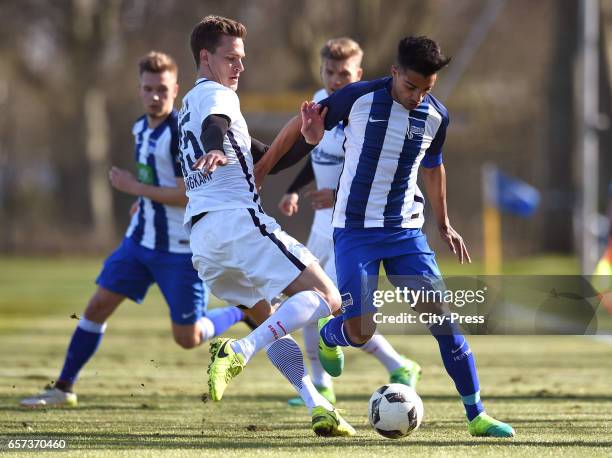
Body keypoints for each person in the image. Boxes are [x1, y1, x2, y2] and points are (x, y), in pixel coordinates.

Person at [260, 36, 515, 438]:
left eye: (426, 89)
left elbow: (433, 166)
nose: (417, 96)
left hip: (405, 232)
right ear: (394, 72)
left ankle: (477, 414)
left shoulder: (436, 116)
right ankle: (331, 334)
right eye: (411, 87)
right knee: (360, 330)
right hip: (355, 231)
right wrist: (303, 141)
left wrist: (444, 222)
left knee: (443, 320)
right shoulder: (357, 97)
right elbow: (308, 129)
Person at [20, 51, 245, 409]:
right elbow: (154, 180)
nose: (155, 96)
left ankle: (241, 311)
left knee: (187, 338)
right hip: (139, 242)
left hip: (180, 250)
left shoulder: (179, 133)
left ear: (175, 89)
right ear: (140, 90)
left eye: (162, 89)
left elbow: (188, 193)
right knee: (96, 307)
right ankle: (64, 387)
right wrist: (144, 199)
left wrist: (135, 189)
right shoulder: (140, 127)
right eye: (148, 89)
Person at [179, 16, 354, 436]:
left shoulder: (190, 102)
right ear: (206, 58)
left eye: (242, 59)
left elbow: (267, 160)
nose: (239, 67)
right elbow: (215, 127)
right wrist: (215, 147)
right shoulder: (216, 97)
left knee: (272, 323)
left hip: (204, 243)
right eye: (231, 58)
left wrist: (307, 139)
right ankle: (237, 349)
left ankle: (317, 404)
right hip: (236, 224)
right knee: (327, 297)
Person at [275, 38, 422, 407]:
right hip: (322, 223)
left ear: (358, 73)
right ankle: (330, 382)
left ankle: (393, 365)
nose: (336, 80)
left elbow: (374, 171)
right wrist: (294, 189)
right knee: (313, 301)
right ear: (321, 72)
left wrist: (338, 195)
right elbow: (315, 153)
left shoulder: (364, 110)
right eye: (329, 72)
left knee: (325, 304)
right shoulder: (323, 104)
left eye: (344, 73)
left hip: (350, 226)